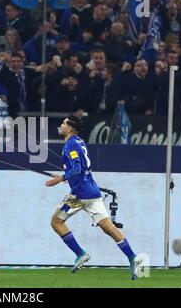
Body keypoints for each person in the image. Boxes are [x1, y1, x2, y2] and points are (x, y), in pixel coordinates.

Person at [45, 114, 143, 280]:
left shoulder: (70, 145)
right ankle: (134, 258)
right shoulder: (80, 142)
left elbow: (77, 168)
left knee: (56, 222)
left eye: (63, 123)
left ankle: (80, 253)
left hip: (79, 194)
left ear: (69, 128)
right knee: (108, 227)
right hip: (92, 191)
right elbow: (80, 169)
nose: (61, 125)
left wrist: (61, 178)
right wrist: (67, 176)